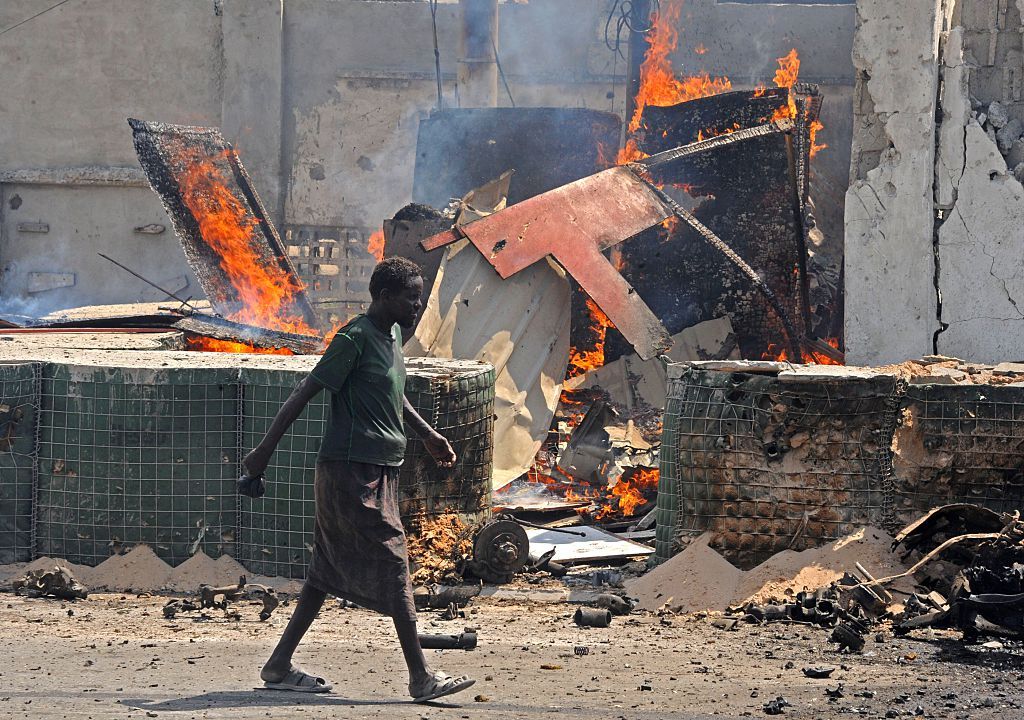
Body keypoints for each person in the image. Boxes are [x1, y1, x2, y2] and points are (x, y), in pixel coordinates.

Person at [239, 257, 475, 703]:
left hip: (378, 468)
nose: (418, 305)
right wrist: (261, 454)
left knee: (325, 571)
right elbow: (302, 393)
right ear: (384, 296)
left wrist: (429, 436)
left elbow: (393, 391)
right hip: (350, 472)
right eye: (411, 297)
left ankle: (278, 664)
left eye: (418, 297)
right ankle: (421, 677)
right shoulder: (353, 338)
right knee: (394, 562)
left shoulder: (391, 336)